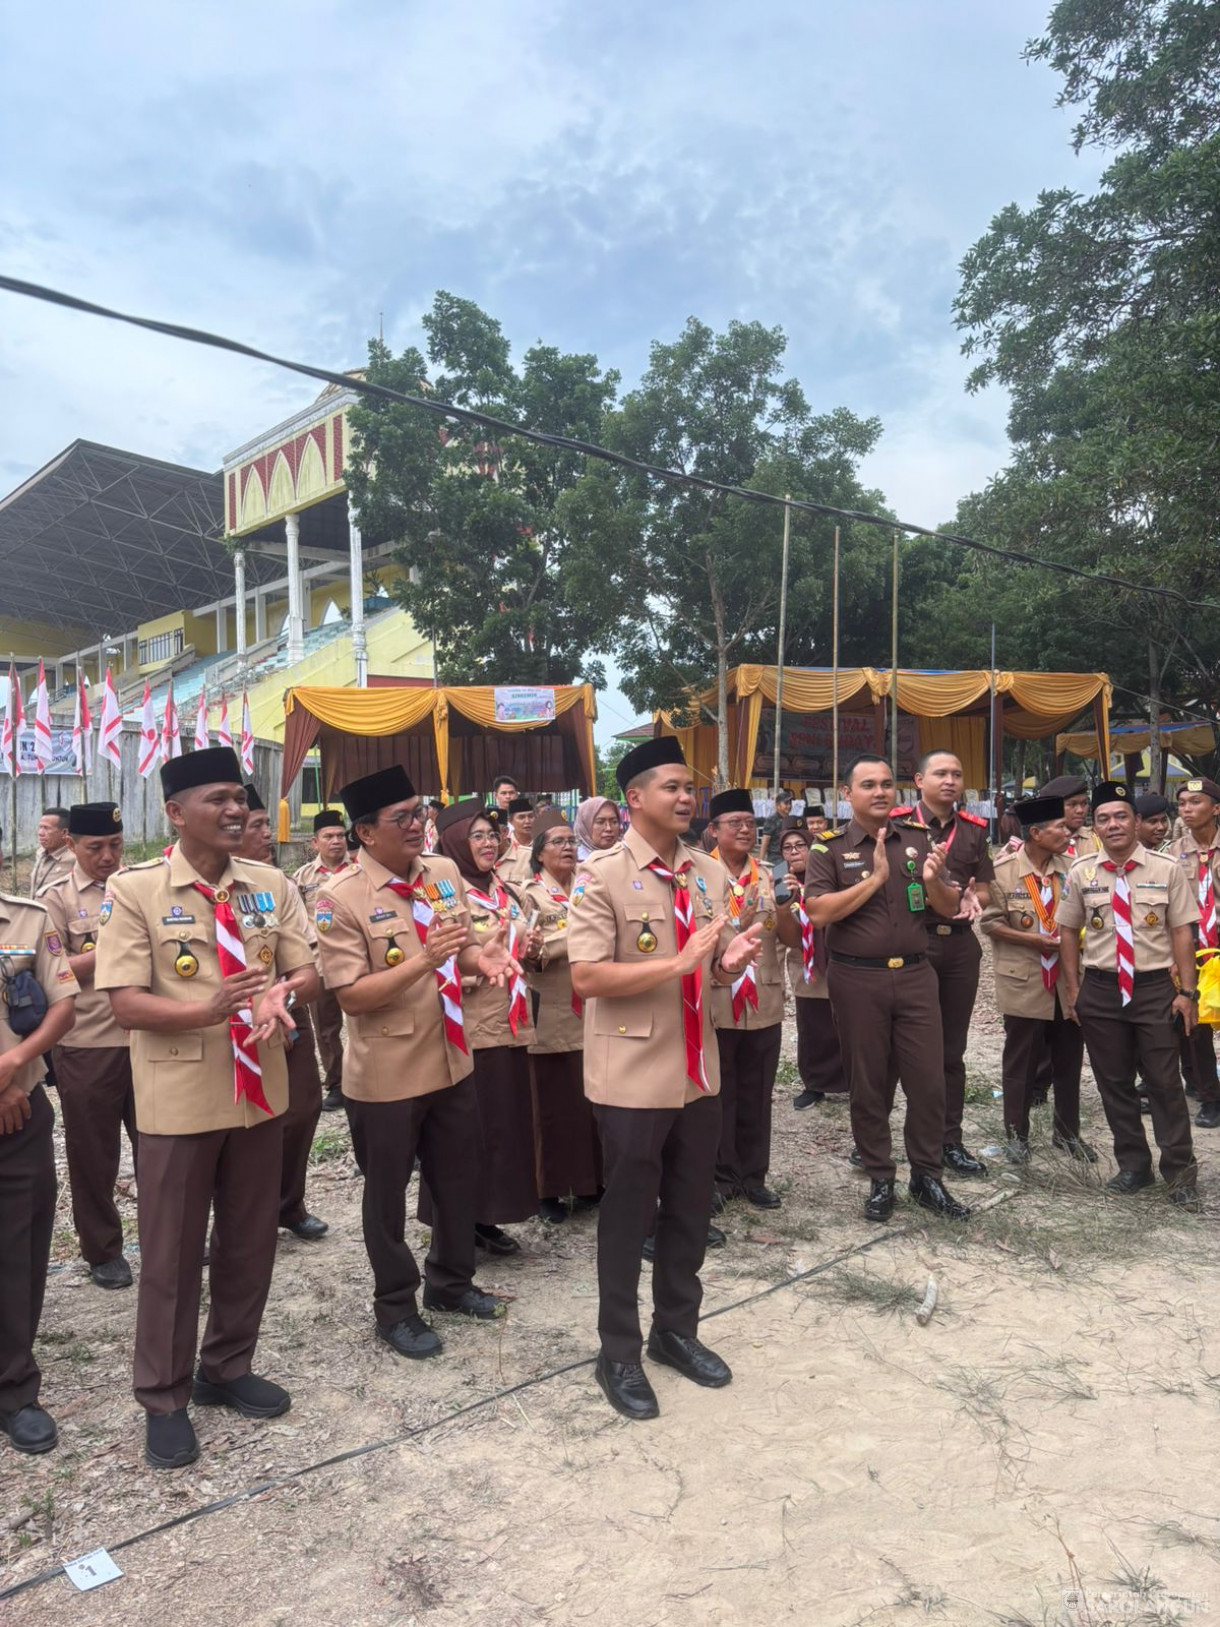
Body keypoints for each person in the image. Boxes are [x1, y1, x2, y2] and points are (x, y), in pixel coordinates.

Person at [95, 746, 318, 1471]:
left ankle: (227, 1365)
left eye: (239, 797)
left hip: (260, 1092)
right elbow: (124, 1001)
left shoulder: (269, 882)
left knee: (250, 1238)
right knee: (170, 1252)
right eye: (217, 798)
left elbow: (306, 969)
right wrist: (208, 1008)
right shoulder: (137, 891)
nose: (234, 810)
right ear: (175, 811)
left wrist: (285, 993)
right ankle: (163, 1396)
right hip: (182, 1097)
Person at [568, 737, 762, 1421]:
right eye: (673, 787)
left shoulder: (707, 873)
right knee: (627, 1217)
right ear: (635, 798)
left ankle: (675, 1329)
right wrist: (679, 965)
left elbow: (705, 966)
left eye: (690, 786)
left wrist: (726, 962)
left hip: (696, 1067)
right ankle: (616, 1350)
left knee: (688, 1210)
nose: (687, 797)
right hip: (631, 1073)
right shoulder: (601, 875)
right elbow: (586, 975)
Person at [312, 767, 514, 1362]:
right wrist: (426, 961)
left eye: (419, 812)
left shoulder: (442, 874)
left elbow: (459, 947)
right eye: (403, 818)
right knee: (386, 1194)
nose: (417, 824)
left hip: (451, 1055)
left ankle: (451, 1283)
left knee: (457, 1179)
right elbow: (351, 995)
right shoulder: (340, 897)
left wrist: (484, 959)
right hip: (387, 1072)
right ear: (366, 833)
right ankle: (396, 1307)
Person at [804, 754, 969, 1223]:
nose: (880, 792)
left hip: (917, 975)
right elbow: (818, 912)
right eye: (868, 785)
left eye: (886, 784)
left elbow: (949, 905)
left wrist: (936, 882)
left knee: (928, 1081)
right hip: (858, 979)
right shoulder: (829, 849)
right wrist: (875, 879)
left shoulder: (919, 841)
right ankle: (880, 1177)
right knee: (869, 1082)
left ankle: (927, 1177)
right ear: (847, 794)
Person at [1058, 781, 1199, 1207]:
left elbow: (1181, 932)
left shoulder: (1166, 868)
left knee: (1163, 1082)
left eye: (1121, 816)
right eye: (1103, 818)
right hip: (1100, 989)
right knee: (1113, 1082)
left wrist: (1187, 993)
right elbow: (1066, 931)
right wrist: (1074, 990)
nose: (1113, 824)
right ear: (1095, 826)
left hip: (1154, 986)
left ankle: (1180, 1173)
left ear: (1137, 822)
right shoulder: (1081, 871)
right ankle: (1133, 1166)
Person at [0, 822, 80, 1455]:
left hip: (18, 1117)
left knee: (17, 1252)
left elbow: (61, 1005)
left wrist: (14, 1066)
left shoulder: (25, 923)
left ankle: (13, 1388)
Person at [433, 800, 539, 1257]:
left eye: (492, 836)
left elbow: (520, 954)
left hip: (511, 1026)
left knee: (504, 1127)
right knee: (470, 1131)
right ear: (455, 842)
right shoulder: (445, 898)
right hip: (472, 1029)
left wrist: (528, 947)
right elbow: (437, 963)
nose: (489, 843)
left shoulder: (507, 891)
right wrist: (478, 970)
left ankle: (487, 1215)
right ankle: (459, 1222)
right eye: (477, 836)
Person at [41, 802, 137, 1289]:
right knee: (94, 1154)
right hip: (88, 1042)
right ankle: (102, 1251)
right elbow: (52, 972)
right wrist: (110, 951)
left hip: (146, 1038)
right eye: (96, 847)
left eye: (116, 846)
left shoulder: (140, 886)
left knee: (162, 1146)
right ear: (72, 845)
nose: (107, 856)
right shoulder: (55, 899)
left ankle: (170, 1234)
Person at [895, 750, 995, 1178]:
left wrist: (976, 899)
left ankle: (948, 1140)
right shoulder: (896, 826)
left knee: (951, 1051)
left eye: (957, 773)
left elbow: (987, 890)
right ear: (920, 780)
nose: (950, 780)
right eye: (941, 773)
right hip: (914, 945)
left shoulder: (973, 832)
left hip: (957, 950)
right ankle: (880, 1142)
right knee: (900, 1051)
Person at [980, 796, 1093, 1164]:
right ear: (1036, 833)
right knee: (1021, 1063)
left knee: (1068, 1060)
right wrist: (1035, 940)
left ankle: (1067, 1134)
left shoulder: (1073, 868)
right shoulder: (1003, 871)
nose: (1067, 831)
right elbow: (991, 923)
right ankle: (1017, 1136)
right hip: (1024, 979)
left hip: (1068, 979)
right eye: (1059, 827)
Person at [239, 784, 328, 1242]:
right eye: (256, 826)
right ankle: (237, 1218)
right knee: (237, 1122)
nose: (266, 835)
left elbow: (306, 955)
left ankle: (288, 1205)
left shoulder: (280, 886)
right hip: (229, 1026)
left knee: (302, 1107)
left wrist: (289, 994)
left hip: (287, 1015)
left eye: (263, 825)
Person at [708, 788, 798, 1210]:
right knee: (718, 1093)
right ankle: (720, 1178)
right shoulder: (697, 873)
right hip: (717, 998)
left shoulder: (769, 874)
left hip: (762, 997)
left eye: (750, 823)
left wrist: (784, 907)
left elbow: (794, 941)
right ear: (714, 830)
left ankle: (753, 1175)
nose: (745, 830)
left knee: (758, 1091)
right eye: (735, 823)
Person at [520, 809, 602, 1223]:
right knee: (551, 1105)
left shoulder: (588, 888)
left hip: (593, 1009)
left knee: (590, 1103)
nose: (569, 848)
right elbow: (531, 953)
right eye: (559, 842)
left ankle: (589, 1184)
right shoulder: (530, 895)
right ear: (539, 854)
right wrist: (578, 936)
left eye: (572, 841)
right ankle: (547, 1190)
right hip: (550, 1012)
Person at [775, 822, 847, 1108]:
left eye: (799, 845)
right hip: (804, 961)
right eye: (787, 848)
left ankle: (849, 1080)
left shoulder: (827, 868)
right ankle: (815, 1084)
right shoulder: (780, 875)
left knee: (843, 1023)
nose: (794, 853)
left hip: (838, 955)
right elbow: (780, 924)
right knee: (812, 1024)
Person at [1167, 776, 1220, 1129]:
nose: (1187, 809)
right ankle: (1210, 1097)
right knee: (1195, 1024)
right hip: (1193, 951)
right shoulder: (1172, 853)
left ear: (1216, 808)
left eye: (1195, 802)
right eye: (1183, 803)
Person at [292, 809, 351, 1113]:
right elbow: (297, 923)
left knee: (364, 1021)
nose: (336, 842)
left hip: (357, 959)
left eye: (341, 835)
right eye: (329, 836)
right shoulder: (303, 878)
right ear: (315, 842)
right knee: (326, 1028)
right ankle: (337, 1083)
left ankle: (364, 1079)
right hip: (320, 962)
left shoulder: (361, 870)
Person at [1040, 776, 1099, 859]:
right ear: (1055, 808)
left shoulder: (1097, 838)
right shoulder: (1042, 844)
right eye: (1072, 804)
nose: (1080, 810)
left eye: (1084, 803)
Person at [31, 808, 74, 894]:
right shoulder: (40, 853)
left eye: (46, 828)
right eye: (40, 827)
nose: (40, 833)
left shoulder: (74, 858)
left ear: (64, 832)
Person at [498, 797, 536, 886]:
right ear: (510, 821)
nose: (527, 821)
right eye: (521, 817)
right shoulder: (504, 845)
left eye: (531, 816)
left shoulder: (542, 844)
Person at [573, 796, 622, 862]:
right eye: (600, 822)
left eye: (614, 822)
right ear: (585, 826)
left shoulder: (627, 858)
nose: (609, 828)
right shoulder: (574, 863)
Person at [758, 788, 793, 864]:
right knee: (779, 875)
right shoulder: (772, 820)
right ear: (778, 806)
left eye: (790, 803)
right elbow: (765, 841)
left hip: (789, 856)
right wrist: (761, 861)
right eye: (786, 803)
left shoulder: (790, 819)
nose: (789, 806)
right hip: (776, 858)